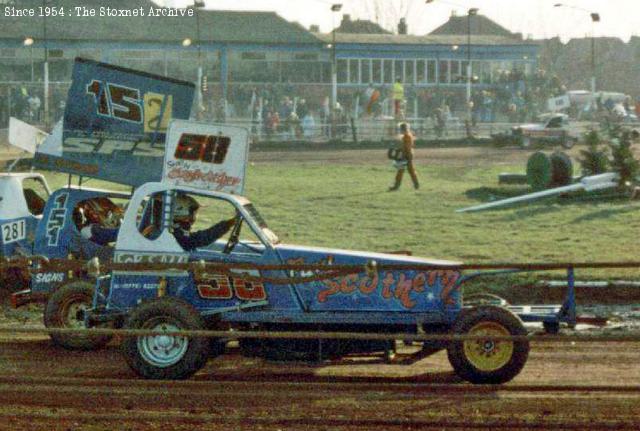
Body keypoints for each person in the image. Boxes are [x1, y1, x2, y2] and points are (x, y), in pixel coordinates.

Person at [171, 194, 236, 252]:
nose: (194, 216)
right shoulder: (177, 234)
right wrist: (228, 224)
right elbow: (202, 238)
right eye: (193, 213)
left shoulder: (175, 230)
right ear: (182, 212)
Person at [388, 122, 419, 191]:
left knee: (403, 170)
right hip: (408, 154)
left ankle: (397, 186)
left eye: (401, 129)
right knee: (408, 170)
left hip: (407, 155)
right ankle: (416, 185)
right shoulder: (406, 135)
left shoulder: (406, 136)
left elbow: (407, 147)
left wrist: (403, 155)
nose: (400, 130)